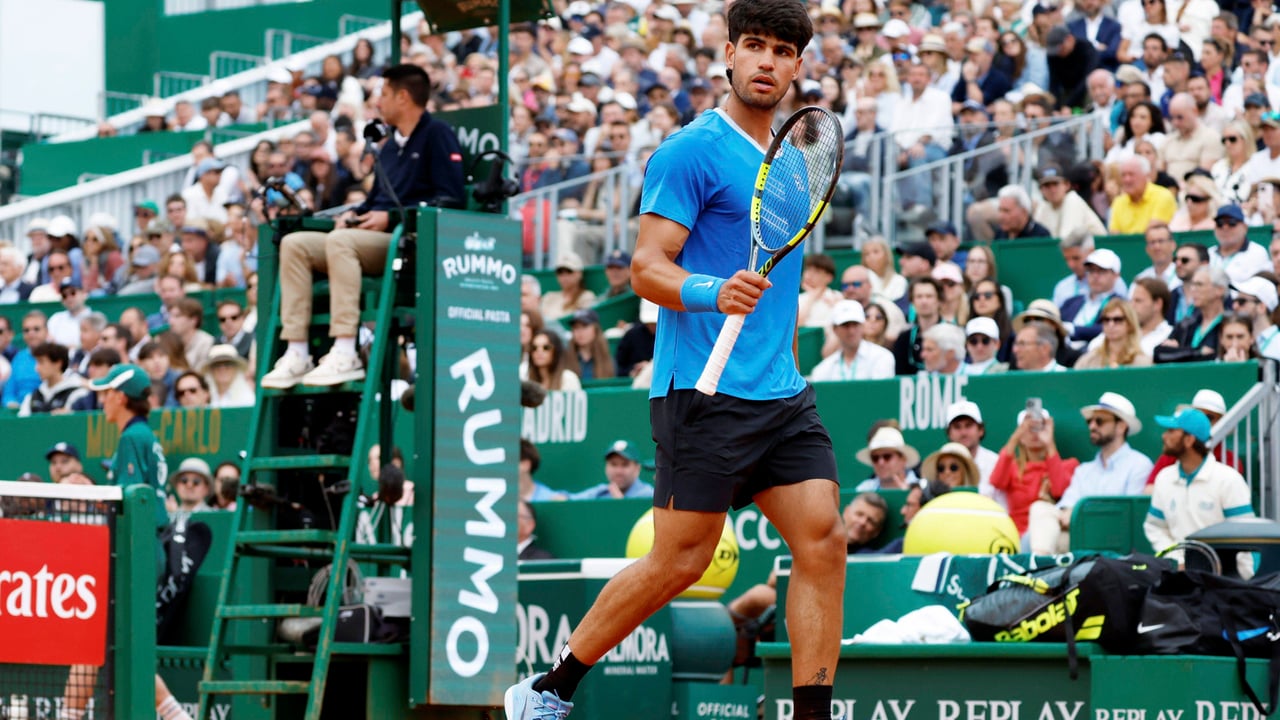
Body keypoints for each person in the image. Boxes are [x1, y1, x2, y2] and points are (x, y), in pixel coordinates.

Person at [506, 6, 846, 718]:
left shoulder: (792, 163)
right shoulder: (689, 152)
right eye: (754, 45)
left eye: (783, 51)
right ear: (729, 54)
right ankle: (548, 689)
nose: (767, 61)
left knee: (824, 539)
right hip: (703, 389)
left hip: (780, 392)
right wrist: (712, 291)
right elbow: (646, 268)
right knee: (681, 560)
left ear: (797, 66)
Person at [261, 64, 465, 389]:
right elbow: (374, 201)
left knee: (341, 243)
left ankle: (345, 350)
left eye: (383, 94)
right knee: (294, 244)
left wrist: (393, 218)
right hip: (370, 238)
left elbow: (451, 198)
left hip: (408, 242)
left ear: (403, 97)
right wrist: (354, 214)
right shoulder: (389, 146)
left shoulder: (437, 134)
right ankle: (297, 351)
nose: (378, 102)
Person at [63, 364, 186, 720]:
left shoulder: (132, 438)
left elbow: (131, 502)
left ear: (119, 398)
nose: (101, 400)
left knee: (98, 639)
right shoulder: (142, 436)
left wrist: (91, 496)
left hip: (136, 549)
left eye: (105, 394)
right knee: (117, 644)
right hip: (142, 548)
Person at [1027, 392, 1153, 553]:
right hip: (1080, 540)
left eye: (1099, 421)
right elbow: (1065, 507)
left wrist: (1077, 513)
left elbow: (1129, 518)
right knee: (1039, 509)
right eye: (1089, 421)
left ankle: (1039, 563)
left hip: (1114, 545)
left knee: (1039, 539)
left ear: (1121, 426)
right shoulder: (1084, 470)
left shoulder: (1139, 465)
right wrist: (1069, 512)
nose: (1092, 426)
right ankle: (1039, 560)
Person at [1145, 407, 1254, 569]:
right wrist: (1177, 560)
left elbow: (1245, 534)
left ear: (1189, 440)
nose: (1164, 436)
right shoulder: (1164, 478)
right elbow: (1155, 527)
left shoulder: (1229, 479)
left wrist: (1215, 566)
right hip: (1180, 576)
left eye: (1171, 431)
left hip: (1225, 578)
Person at [809, 300, 895, 382]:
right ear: (835, 329)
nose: (851, 331)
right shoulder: (822, 370)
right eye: (845, 325)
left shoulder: (882, 357)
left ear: (863, 325)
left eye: (855, 324)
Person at [945, 400, 1002, 502]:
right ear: (949, 433)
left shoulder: (995, 463)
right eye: (957, 427)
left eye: (968, 425)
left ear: (980, 430)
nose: (963, 433)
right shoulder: (939, 466)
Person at [1109, 155, 1178, 234]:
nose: (1127, 179)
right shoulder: (1118, 202)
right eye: (1123, 175)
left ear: (1146, 175)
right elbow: (1115, 236)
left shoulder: (1163, 196)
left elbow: (1153, 234)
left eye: (1131, 174)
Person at [1077, 298, 1155, 368]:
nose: (1111, 324)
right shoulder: (1088, 361)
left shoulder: (1143, 362)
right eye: (1106, 319)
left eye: (1118, 319)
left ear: (1130, 323)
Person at [18, 342, 88, 417]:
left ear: (58, 363)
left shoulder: (78, 393)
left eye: (41, 362)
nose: (37, 368)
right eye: (37, 362)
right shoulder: (32, 397)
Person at [569, 440, 655, 500]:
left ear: (637, 469)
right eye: (613, 464)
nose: (618, 471)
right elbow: (569, 498)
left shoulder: (649, 495)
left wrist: (619, 504)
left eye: (625, 465)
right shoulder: (600, 492)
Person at [1210, 204, 1272, 285]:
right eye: (1220, 223)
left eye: (1232, 223)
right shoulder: (1209, 252)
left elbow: (1262, 285)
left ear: (1245, 227)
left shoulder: (1257, 252)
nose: (1225, 227)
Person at [854, 426, 922, 492]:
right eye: (875, 458)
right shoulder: (862, 490)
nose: (881, 462)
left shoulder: (923, 489)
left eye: (887, 456)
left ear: (903, 459)